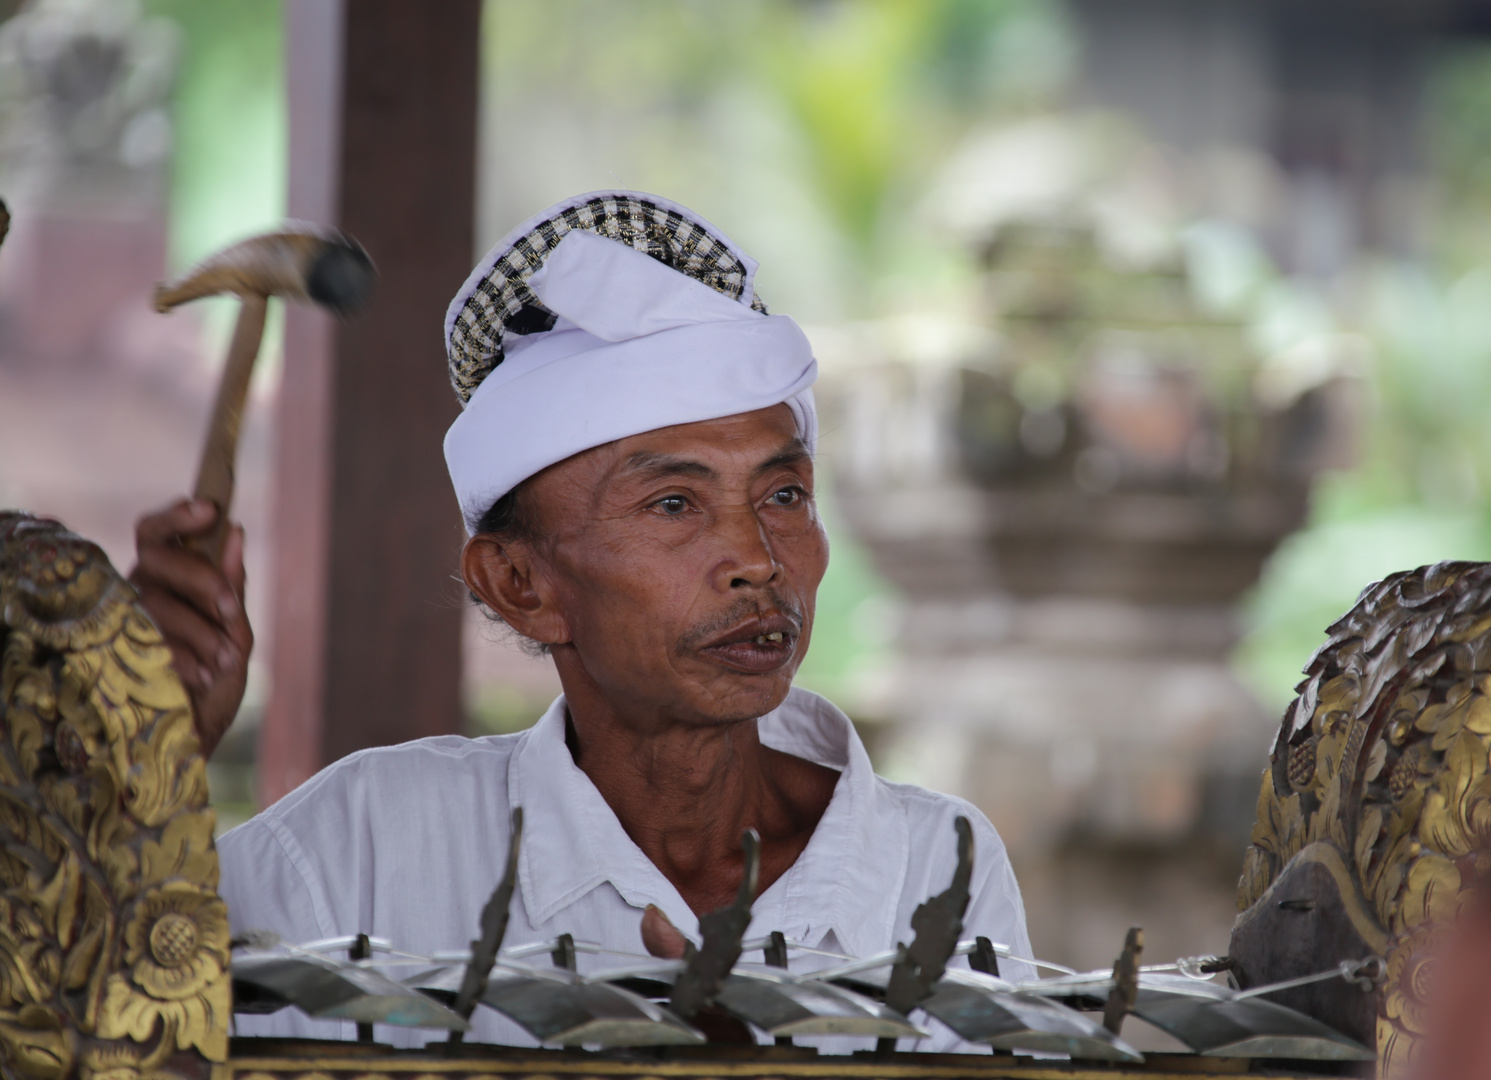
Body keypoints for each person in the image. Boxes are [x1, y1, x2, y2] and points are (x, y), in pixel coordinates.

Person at [131, 191, 1032, 1049]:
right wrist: (140, 760)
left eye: (785, 492)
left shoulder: (932, 869)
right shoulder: (358, 854)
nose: (759, 559)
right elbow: (95, 1018)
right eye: (675, 504)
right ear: (520, 583)